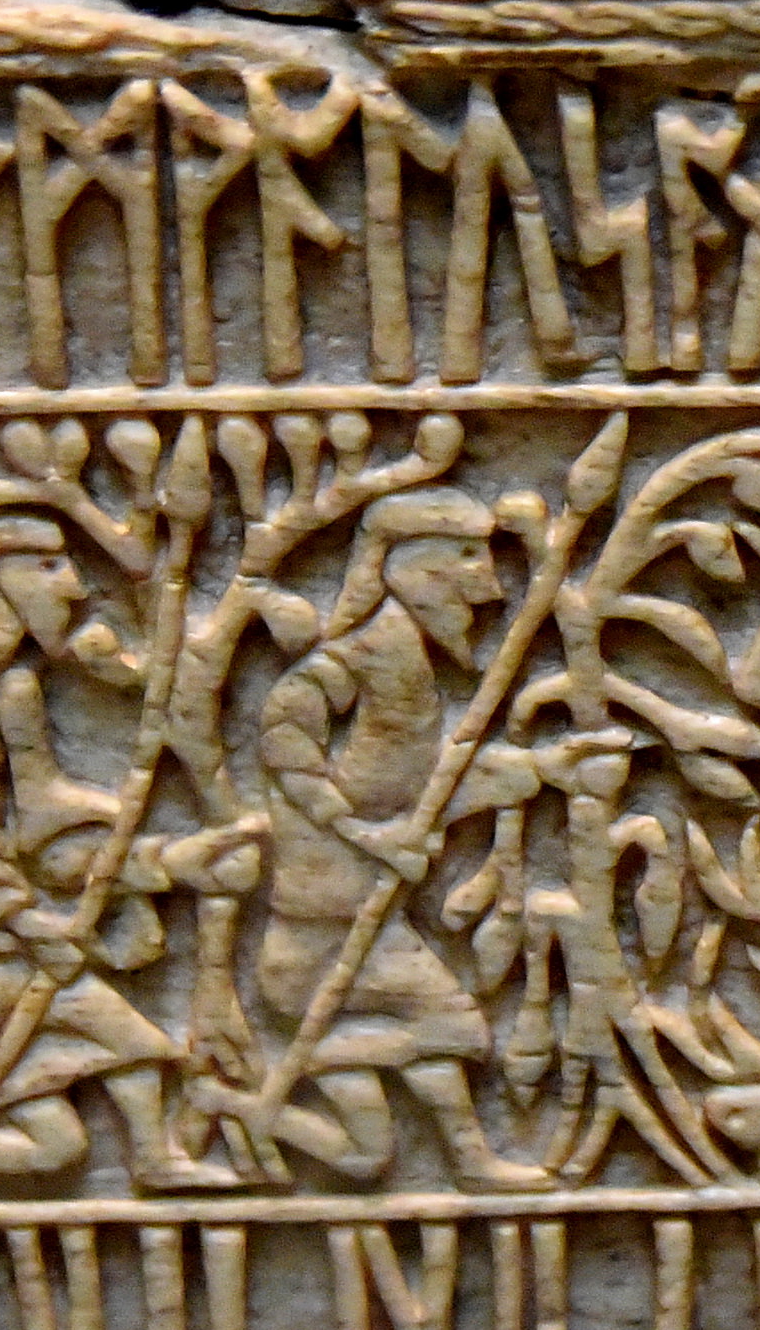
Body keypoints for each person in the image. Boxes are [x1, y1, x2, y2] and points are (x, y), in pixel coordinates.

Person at [0, 517, 257, 1198]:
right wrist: (30, 922)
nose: (72, 587)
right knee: (123, 1033)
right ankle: (154, 1160)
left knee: (58, 1148)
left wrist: (162, 859)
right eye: (47, 567)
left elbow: (43, 825)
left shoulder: (5, 689)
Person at [190, 492, 532, 1186]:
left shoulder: (409, 667)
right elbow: (286, 740)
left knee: (368, 1151)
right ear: (412, 569)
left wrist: (529, 773)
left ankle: (241, 1103)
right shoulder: (356, 660)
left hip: (367, 930)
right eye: (468, 558)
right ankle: (280, 1087)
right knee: (451, 1029)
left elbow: (409, 789)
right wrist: (369, 836)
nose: (490, 588)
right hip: (318, 938)